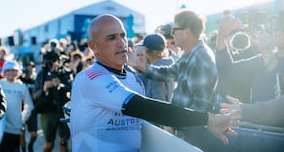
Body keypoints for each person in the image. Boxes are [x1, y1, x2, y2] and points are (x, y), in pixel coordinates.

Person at [69, 14, 237, 152]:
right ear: (93, 46)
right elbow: (145, 108)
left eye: (123, 36)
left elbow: (145, 123)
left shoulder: (133, 79)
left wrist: (203, 123)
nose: (121, 43)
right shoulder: (89, 78)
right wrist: (207, 119)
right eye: (112, 38)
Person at [129, 10, 227, 151]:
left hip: (193, 134)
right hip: (187, 130)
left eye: (175, 29)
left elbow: (200, 106)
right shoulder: (190, 54)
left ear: (186, 32)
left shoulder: (200, 57)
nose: (172, 33)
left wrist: (174, 126)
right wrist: (139, 65)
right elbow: (168, 72)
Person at [33, 50, 72, 152]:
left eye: (54, 61)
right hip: (47, 112)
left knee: (63, 142)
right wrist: (44, 89)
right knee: (49, 144)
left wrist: (61, 85)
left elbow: (72, 88)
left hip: (63, 111)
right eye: (49, 62)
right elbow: (35, 96)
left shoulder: (65, 72)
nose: (52, 64)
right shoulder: (41, 75)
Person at [0, 60, 34, 152]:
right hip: (1, 128)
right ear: (4, 72)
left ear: (17, 72)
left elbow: (29, 105)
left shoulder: (22, 86)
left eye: (13, 70)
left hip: (16, 128)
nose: (11, 72)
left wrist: (23, 119)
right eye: (8, 70)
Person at [19, 61, 38, 152]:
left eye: (32, 67)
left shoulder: (35, 81)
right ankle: (23, 149)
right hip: (21, 110)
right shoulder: (20, 80)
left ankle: (30, 145)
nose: (30, 69)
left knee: (34, 134)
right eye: (28, 67)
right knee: (21, 132)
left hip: (32, 110)